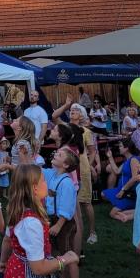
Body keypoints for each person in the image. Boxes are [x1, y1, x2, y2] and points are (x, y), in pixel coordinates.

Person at [0, 164, 79, 278]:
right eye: (44, 180)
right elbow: (38, 268)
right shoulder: (31, 224)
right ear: (35, 188)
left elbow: (7, 240)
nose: (46, 183)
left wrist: (3, 261)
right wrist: (65, 259)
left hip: (16, 273)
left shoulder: (18, 211)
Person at [54, 100, 99, 246]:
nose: (73, 111)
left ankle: (92, 232)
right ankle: (72, 237)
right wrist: (66, 105)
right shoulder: (65, 127)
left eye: (77, 110)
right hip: (66, 167)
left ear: (82, 115)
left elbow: (92, 151)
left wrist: (90, 165)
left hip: (82, 167)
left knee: (85, 202)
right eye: (72, 109)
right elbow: (54, 116)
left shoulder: (86, 131)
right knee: (72, 204)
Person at [44, 149, 80, 278]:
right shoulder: (53, 175)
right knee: (59, 255)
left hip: (64, 224)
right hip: (54, 221)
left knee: (69, 256)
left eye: (59, 155)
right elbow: (37, 170)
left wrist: (59, 225)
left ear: (65, 165)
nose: (55, 155)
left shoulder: (66, 183)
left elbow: (67, 207)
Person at [101, 139, 140, 223]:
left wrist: (123, 190)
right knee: (103, 194)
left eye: (120, 146)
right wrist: (110, 157)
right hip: (121, 190)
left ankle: (133, 210)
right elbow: (117, 171)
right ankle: (128, 209)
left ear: (126, 148)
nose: (119, 148)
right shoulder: (127, 160)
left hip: (129, 192)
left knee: (112, 214)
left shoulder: (134, 160)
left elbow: (135, 178)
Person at [23, 90, 51, 154]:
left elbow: (44, 128)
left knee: (35, 159)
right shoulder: (25, 111)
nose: (32, 97)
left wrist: (39, 141)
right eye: (31, 95)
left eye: (35, 96)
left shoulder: (42, 111)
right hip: (26, 140)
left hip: (36, 141)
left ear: (38, 99)